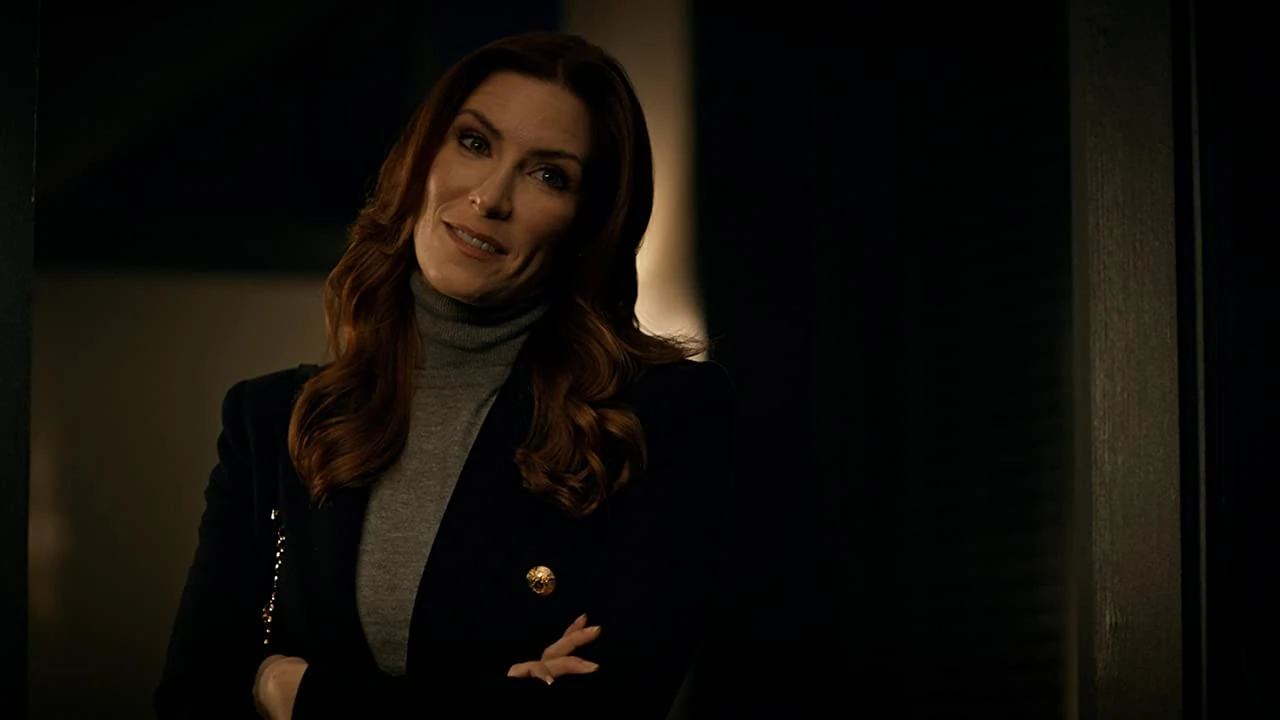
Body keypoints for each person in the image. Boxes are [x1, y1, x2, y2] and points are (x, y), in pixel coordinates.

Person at [154, 31, 734, 720]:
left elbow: (604, 709)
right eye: (474, 142)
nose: (490, 197)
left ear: (589, 224)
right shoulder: (270, 419)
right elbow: (193, 699)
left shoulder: (659, 417)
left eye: (549, 176)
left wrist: (293, 691)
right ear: (421, 156)